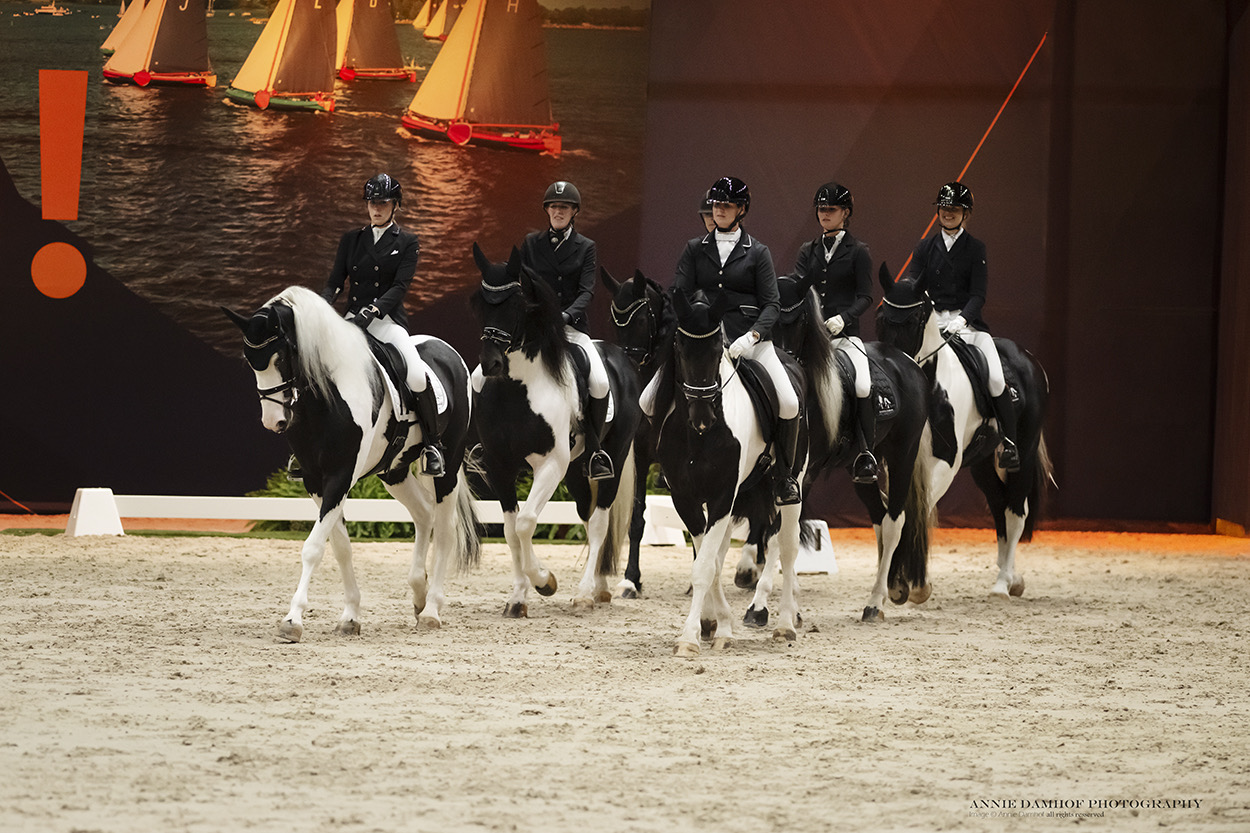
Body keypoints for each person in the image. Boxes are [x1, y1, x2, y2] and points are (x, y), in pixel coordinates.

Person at [669, 175, 802, 505]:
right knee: (649, 398)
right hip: (706, 342)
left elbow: (772, 304)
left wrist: (752, 336)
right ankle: (667, 459)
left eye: (726, 206)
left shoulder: (757, 252)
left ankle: (784, 476)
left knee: (789, 402)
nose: (719, 210)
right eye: (716, 205)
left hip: (749, 340)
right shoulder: (694, 249)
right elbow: (680, 293)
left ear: (741, 210)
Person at [320, 173, 446, 478]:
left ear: (395, 205)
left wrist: (374, 310)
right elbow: (336, 281)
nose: (376, 208)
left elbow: (400, 286)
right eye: (372, 203)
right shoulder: (351, 240)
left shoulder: (407, 241)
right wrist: (321, 306)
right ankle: (312, 446)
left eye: (383, 203)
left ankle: (433, 445)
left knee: (415, 375)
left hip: (387, 322)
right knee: (318, 370)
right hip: (352, 322)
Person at [902, 181, 1019, 471]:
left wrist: (962, 319)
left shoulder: (975, 248)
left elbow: (978, 294)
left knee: (995, 378)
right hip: (932, 323)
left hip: (966, 324)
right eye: (944, 207)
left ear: (966, 213)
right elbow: (913, 286)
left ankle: (1009, 442)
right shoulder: (925, 247)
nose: (948, 213)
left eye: (954, 209)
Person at [519, 180, 614, 481]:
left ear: (574, 212)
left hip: (571, 328)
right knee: (488, 372)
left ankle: (595, 449)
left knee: (599, 382)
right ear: (547, 210)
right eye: (553, 207)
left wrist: (564, 316)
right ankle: (485, 443)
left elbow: (587, 292)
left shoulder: (586, 247)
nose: (558, 212)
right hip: (536, 328)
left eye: (564, 207)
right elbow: (523, 286)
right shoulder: (531, 244)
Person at [793, 181, 878, 483]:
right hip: (812, 337)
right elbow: (800, 290)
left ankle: (865, 452)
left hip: (845, 336)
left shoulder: (859, 252)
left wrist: (844, 318)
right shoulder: (808, 250)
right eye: (821, 209)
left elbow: (866, 297)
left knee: (863, 384)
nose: (824, 214)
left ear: (846, 213)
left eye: (831, 209)